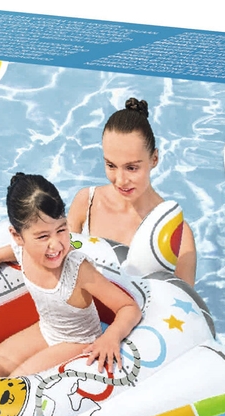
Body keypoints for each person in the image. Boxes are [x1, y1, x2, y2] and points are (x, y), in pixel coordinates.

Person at [0, 173, 141, 377]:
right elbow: (12, 251)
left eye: (61, 230)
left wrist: (111, 337)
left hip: (78, 341)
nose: (55, 244)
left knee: (17, 382)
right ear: (18, 236)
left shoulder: (77, 269)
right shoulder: (23, 251)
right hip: (48, 329)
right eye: (43, 236)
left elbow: (129, 307)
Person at [68, 97, 197, 286]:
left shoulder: (177, 234)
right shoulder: (87, 202)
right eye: (111, 165)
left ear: (154, 159)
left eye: (131, 168)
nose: (120, 180)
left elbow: (183, 300)